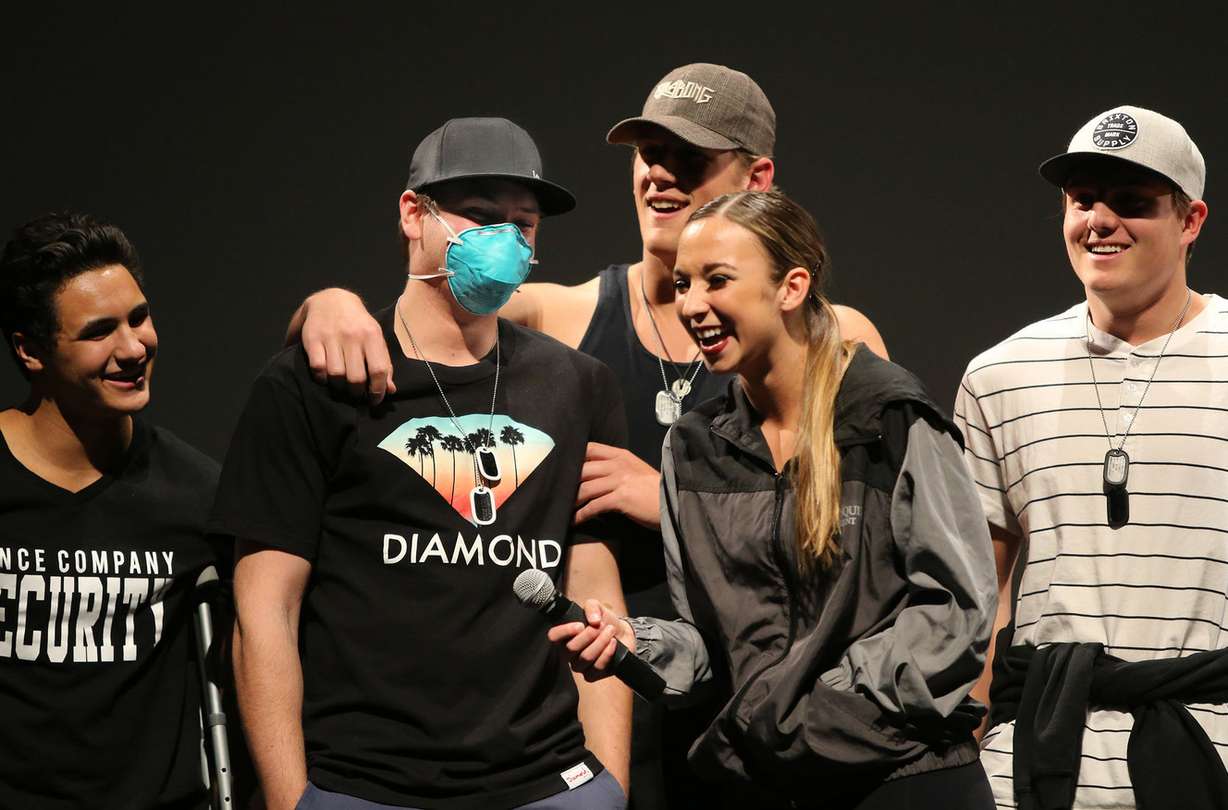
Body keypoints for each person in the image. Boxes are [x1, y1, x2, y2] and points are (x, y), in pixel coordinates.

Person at [284, 63, 888, 808]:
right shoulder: (558, 318)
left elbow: (863, 547)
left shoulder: (832, 339)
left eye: (690, 159)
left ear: (758, 178)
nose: (659, 175)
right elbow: (411, 319)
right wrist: (326, 303)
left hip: (773, 707)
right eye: (648, 155)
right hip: (613, 705)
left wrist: (668, 500)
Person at [208, 117, 630, 810]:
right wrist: (293, 802)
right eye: (481, 216)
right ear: (413, 214)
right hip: (363, 786)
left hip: (546, 783)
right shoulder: (316, 383)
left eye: (523, 224)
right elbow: (265, 609)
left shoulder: (579, 386)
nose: (506, 240)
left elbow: (593, 593)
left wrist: (608, 788)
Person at [550, 189, 997, 809]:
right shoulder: (695, 448)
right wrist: (635, 643)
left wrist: (823, 707)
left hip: (904, 778)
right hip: (773, 786)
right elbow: (710, 644)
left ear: (791, 287)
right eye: (682, 284)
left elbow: (956, 610)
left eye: (717, 280)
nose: (692, 305)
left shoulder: (888, 418)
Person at [954, 106, 1226, 810]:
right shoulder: (999, 375)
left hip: (1210, 756)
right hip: (1033, 767)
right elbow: (980, 596)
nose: (1100, 221)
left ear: (1191, 220)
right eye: (1082, 201)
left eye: (1131, 202)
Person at [0, 212, 227, 809]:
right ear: (30, 350)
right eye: (99, 331)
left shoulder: (196, 493)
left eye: (138, 317)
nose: (133, 348)